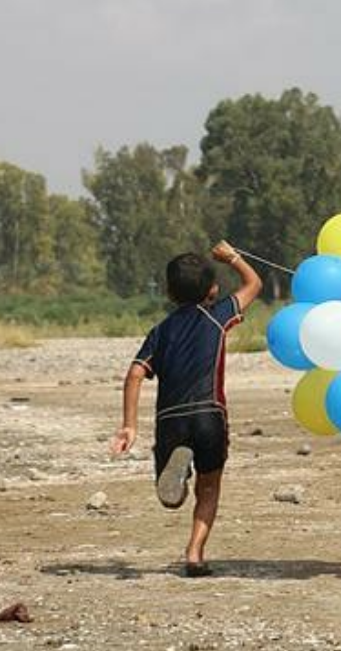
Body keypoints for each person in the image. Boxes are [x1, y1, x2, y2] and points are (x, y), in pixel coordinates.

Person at [110, 241, 262, 577]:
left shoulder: (160, 332)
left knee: (171, 499)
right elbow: (254, 284)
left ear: (168, 293)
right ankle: (194, 554)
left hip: (170, 420)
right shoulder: (217, 315)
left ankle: (176, 478)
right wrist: (233, 257)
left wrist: (129, 426)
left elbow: (135, 374)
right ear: (213, 290)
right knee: (209, 486)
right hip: (209, 414)